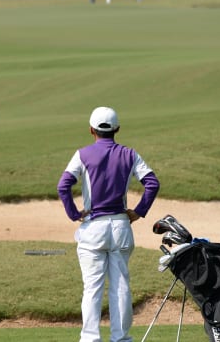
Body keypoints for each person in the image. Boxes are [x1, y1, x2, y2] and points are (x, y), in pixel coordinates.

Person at [57, 107, 160, 342]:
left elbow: (63, 186)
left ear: (91, 130)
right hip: (121, 227)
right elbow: (152, 183)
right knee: (121, 286)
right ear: (117, 129)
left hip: (93, 228)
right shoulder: (130, 154)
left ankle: (90, 339)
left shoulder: (82, 154)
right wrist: (139, 211)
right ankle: (121, 338)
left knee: (92, 288)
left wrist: (74, 214)